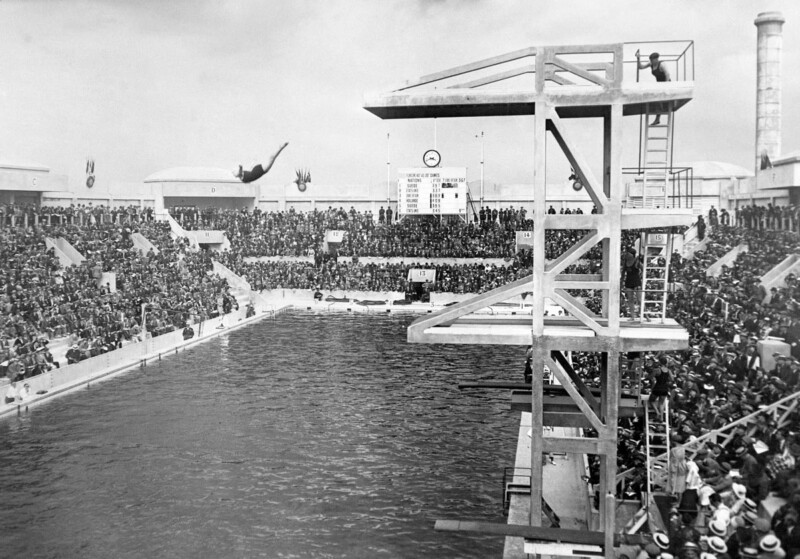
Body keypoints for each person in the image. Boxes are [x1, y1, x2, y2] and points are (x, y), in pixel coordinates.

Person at [637, 52, 671, 124]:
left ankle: (657, 118)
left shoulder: (662, 64)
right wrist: (638, 58)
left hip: (666, 83)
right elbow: (640, 67)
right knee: (657, 99)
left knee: (659, 99)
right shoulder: (651, 64)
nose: (651, 61)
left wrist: (666, 86)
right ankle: (657, 118)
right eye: (651, 60)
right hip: (658, 84)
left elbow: (667, 74)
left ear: (656, 59)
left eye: (652, 60)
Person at [623, 246, 642, 319]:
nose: (626, 255)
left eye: (628, 254)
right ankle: (632, 316)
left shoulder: (637, 261)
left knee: (639, 299)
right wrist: (621, 284)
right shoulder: (625, 262)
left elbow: (644, 268)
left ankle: (646, 315)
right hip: (628, 282)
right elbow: (622, 273)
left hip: (636, 282)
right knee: (630, 299)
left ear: (632, 254)